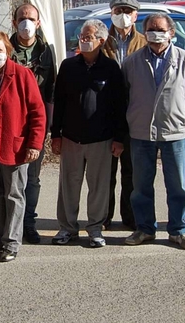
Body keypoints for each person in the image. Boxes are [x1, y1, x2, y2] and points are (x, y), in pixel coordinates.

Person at [122, 12, 185, 250]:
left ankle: (178, 230)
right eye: (151, 29)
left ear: (171, 33)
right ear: (144, 32)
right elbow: (125, 96)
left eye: (160, 29)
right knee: (141, 186)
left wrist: (179, 116)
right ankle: (145, 229)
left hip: (175, 132)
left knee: (177, 185)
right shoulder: (132, 62)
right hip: (141, 132)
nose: (156, 34)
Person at [50, 20, 127, 247]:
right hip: (71, 137)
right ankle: (67, 228)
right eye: (82, 36)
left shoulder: (111, 69)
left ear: (101, 41)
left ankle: (95, 229)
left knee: (99, 187)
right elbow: (60, 102)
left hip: (101, 139)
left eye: (88, 36)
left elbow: (120, 106)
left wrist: (119, 138)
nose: (83, 40)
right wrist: (56, 135)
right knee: (68, 186)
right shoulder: (68, 66)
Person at [0, 31, 46, 262]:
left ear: (8, 52)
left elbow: (37, 112)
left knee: (14, 194)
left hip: (14, 146)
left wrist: (34, 144)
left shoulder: (22, 75)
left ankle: (12, 242)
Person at [9, 2, 56, 244]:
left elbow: (50, 91)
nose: (26, 22)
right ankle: (10, 223)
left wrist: (48, 128)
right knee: (11, 177)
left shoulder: (47, 51)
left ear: (38, 23)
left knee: (33, 178)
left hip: (36, 123)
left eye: (31, 18)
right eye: (22, 18)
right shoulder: (4, 49)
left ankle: (28, 222)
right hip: (10, 123)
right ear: (14, 22)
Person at [102, 0, 146, 230]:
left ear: (135, 15)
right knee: (106, 173)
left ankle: (130, 217)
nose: (123, 15)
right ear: (111, 13)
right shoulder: (102, 41)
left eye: (128, 11)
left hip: (135, 115)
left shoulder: (143, 41)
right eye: (119, 10)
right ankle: (104, 217)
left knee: (132, 172)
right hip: (107, 116)